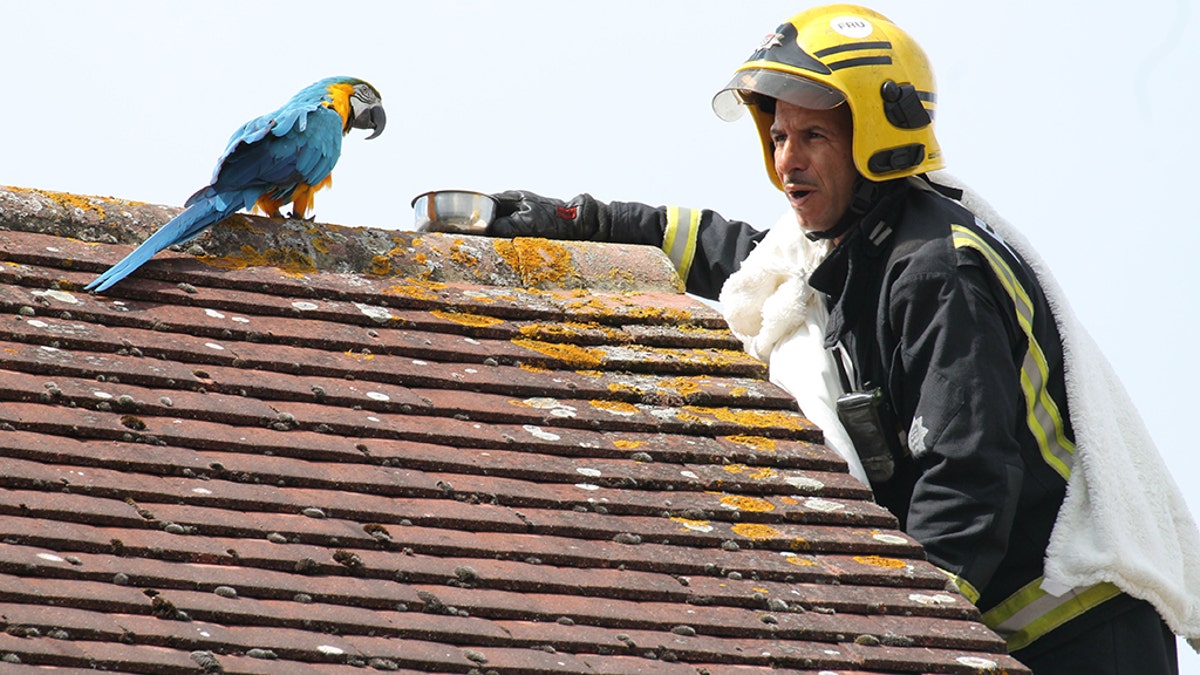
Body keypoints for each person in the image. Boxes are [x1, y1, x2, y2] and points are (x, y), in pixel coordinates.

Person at [477, 5, 1200, 674]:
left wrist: (908, 636)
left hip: (1079, 639)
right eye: (778, 135)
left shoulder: (935, 271)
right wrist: (576, 219)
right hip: (1007, 627)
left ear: (877, 139)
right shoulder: (849, 249)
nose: (787, 160)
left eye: (814, 135)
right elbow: (732, 252)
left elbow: (967, 473)